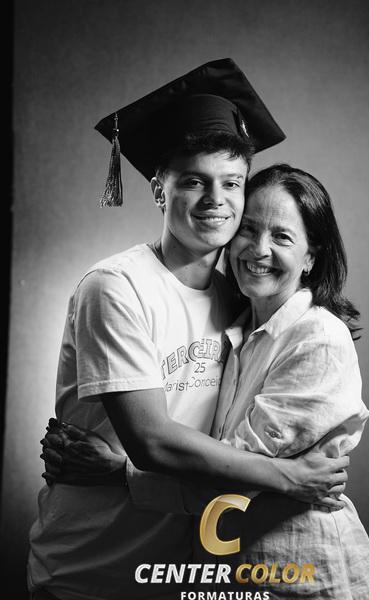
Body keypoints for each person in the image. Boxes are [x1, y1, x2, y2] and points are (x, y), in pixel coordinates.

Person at [30, 59, 349, 600]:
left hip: (185, 567)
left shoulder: (240, 300)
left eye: (232, 183)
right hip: (92, 568)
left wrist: (117, 470)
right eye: (194, 181)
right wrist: (291, 478)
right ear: (160, 188)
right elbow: (153, 440)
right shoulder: (116, 286)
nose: (215, 200)